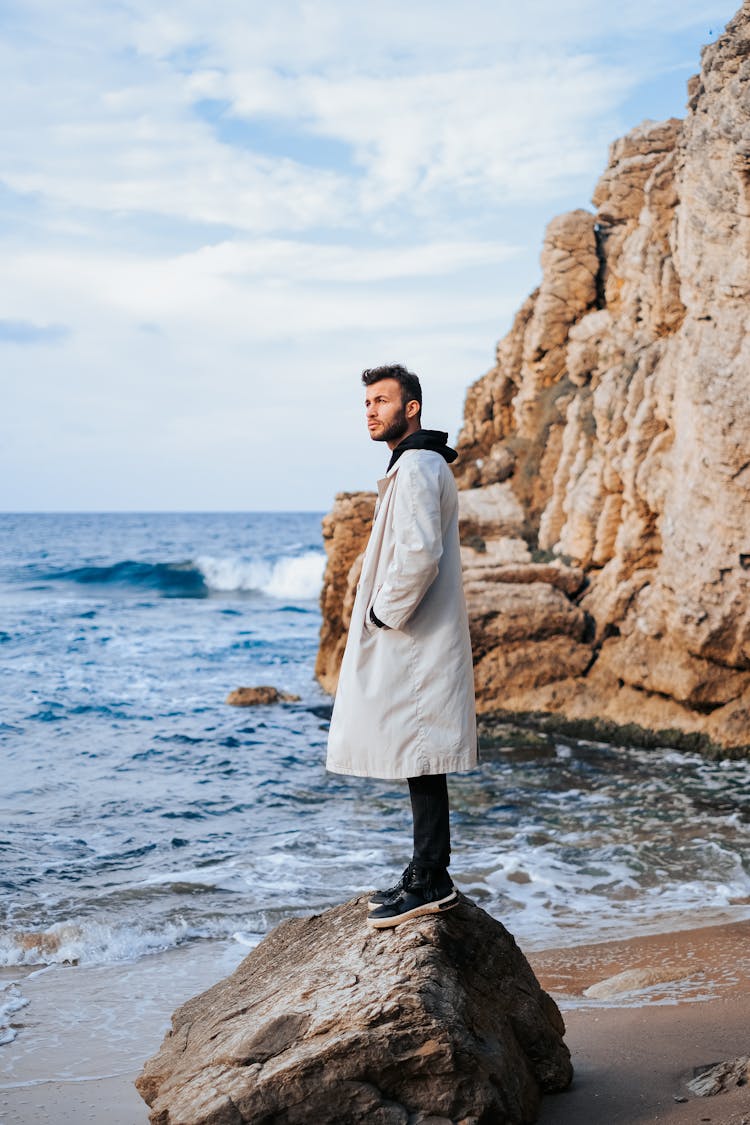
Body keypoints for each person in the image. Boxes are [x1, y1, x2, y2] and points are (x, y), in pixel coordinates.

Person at [326, 363, 477, 929]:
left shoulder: (415, 466)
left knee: (421, 755)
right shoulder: (414, 464)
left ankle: (431, 878)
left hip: (414, 637)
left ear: (410, 407)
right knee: (420, 759)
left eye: (381, 401)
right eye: (367, 402)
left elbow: (419, 552)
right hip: (417, 636)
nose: (371, 411)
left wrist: (382, 613)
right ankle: (426, 871)